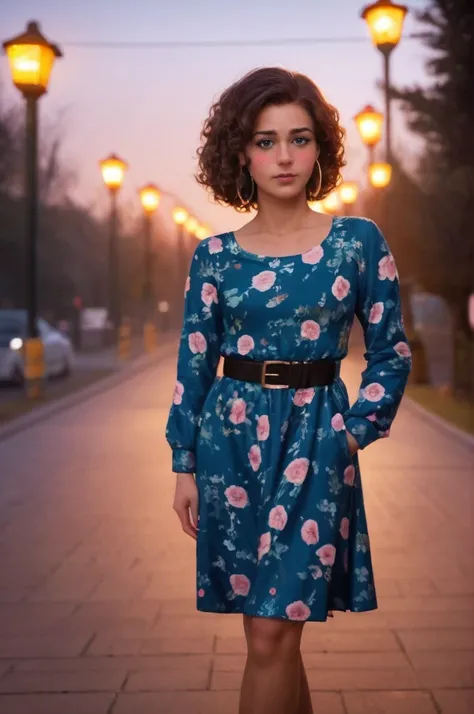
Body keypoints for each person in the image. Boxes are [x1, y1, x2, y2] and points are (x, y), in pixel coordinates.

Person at [165, 67, 412, 714]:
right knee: (266, 631)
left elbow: (391, 353)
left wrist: (353, 432)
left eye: (299, 139)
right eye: (266, 141)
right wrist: (182, 461)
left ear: (320, 149)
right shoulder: (214, 256)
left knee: (274, 630)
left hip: (317, 443)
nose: (284, 156)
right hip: (231, 445)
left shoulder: (357, 244)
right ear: (240, 152)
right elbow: (194, 362)